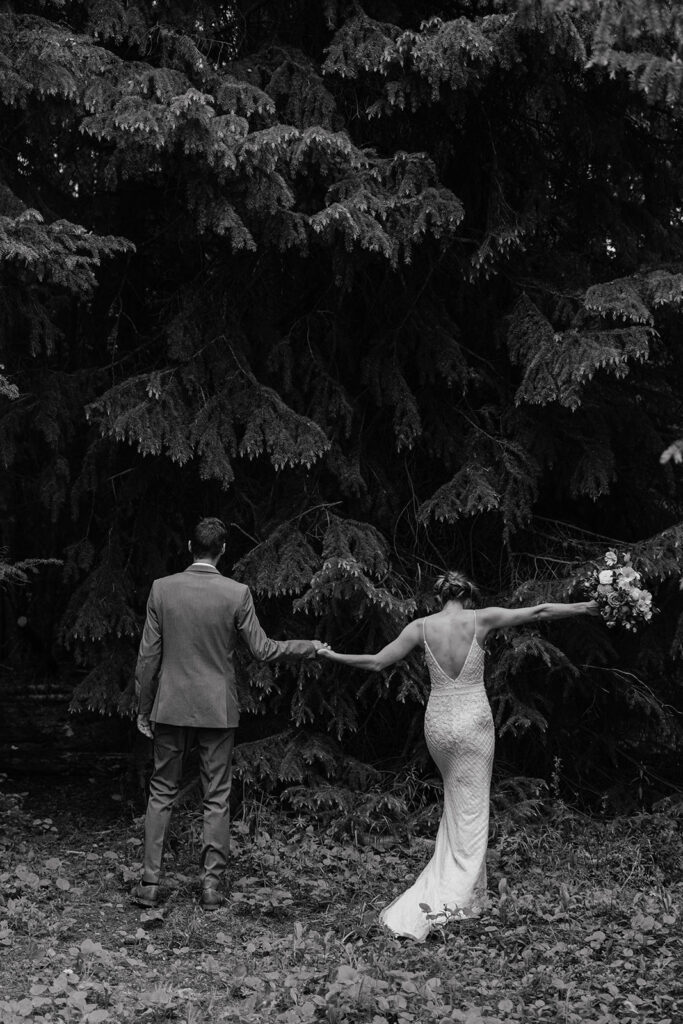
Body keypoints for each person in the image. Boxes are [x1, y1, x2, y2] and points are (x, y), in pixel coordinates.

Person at [319, 571, 599, 941]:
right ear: (468, 596)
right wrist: (588, 606)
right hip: (472, 721)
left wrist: (331, 653)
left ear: (440, 597)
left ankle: (469, 890)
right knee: (471, 805)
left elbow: (375, 662)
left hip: (439, 724)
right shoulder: (481, 618)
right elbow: (541, 611)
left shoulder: (420, 627)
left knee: (457, 801)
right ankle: (457, 895)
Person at [133, 517, 327, 911]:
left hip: (170, 706)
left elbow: (147, 657)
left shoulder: (162, 589)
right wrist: (308, 646)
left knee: (161, 792)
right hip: (218, 711)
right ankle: (211, 888)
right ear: (223, 550)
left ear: (190, 545)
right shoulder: (236, 593)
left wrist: (143, 706)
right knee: (216, 796)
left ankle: (151, 884)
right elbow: (264, 649)